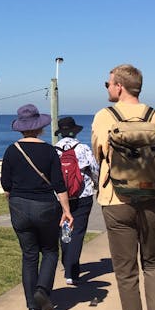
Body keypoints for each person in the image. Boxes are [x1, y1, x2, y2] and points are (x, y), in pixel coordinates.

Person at [91, 64, 155, 310]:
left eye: (108, 83)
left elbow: (99, 153)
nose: (107, 88)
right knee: (154, 264)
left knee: (126, 274)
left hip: (116, 199)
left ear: (120, 86)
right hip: (154, 198)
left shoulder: (104, 117)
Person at [1, 104, 74, 310]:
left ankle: (32, 306)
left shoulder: (11, 150)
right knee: (50, 250)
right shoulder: (49, 151)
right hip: (45, 207)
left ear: (21, 128)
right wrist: (67, 210)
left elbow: (6, 184)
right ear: (40, 127)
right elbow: (59, 184)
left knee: (29, 255)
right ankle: (42, 290)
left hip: (19, 207)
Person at [55, 116, 99, 285]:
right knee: (78, 233)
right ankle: (71, 272)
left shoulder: (54, 150)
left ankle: (67, 264)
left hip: (61, 198)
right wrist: (96, 185)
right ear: (74, 132)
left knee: (65, 231)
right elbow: (94, 170)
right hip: (83, 196)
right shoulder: (83, 149)